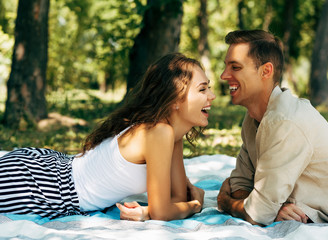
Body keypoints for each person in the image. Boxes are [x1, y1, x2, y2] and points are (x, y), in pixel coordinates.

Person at [0, 53, 216, 221]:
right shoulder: (159, 132)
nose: (212, 96)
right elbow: (164, 210)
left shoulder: (171, 133)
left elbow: (175, 200)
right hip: (41, 186)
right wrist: (195, 205)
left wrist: (155, 210)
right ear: (175, 99)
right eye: (202, 89)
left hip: (50, 171)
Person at [217, 29, 328, 226]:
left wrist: (227, 203)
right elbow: (240, 184)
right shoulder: (253, 120)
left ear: (266, 71)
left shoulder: (285, 122)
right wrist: (258, 204)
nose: (224, 76)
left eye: (235, 67)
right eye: (226, 67)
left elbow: (257, 213)